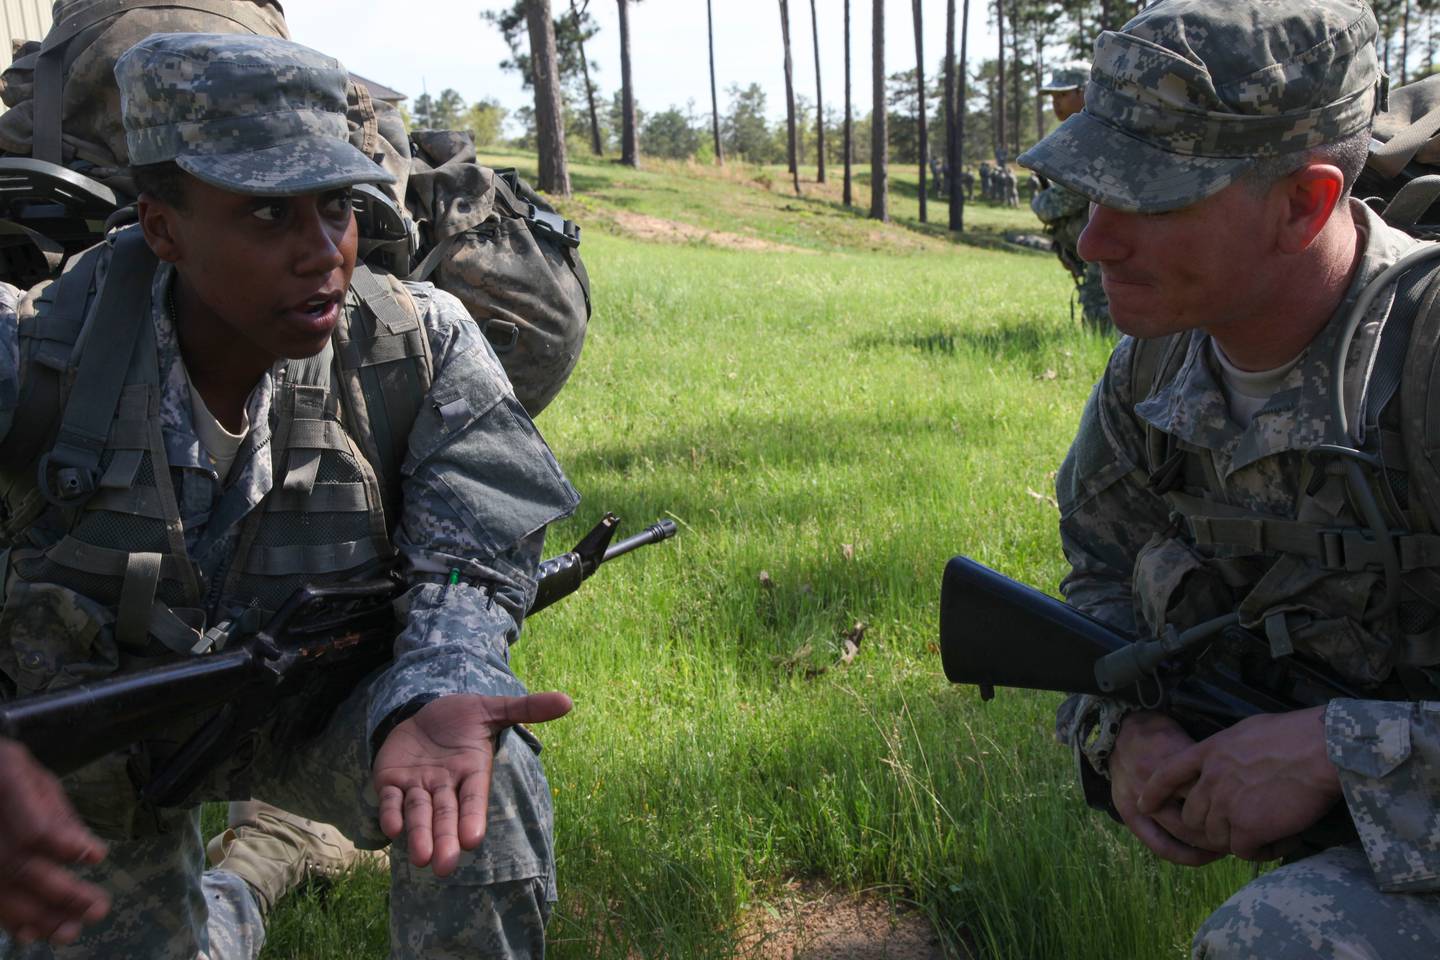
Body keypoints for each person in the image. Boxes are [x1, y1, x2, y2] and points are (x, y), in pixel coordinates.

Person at [0, 30, 580, 959]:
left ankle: (260, 856)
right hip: (87, 768)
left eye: (336, 206)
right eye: (269, 215)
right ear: (163, 228)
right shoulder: (31, 360)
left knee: (486, 765)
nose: (324, 253)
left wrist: (444, 679)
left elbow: (468, 564)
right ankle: (245, 887)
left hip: (311, 714)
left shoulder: (414, 345)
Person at [1019, 0, 1440, 955]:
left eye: (1150, 198)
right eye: (1092, 191)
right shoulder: (1157, 367)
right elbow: (1100, 582)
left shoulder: (1425, 361)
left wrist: (1342, 754)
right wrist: (1129, 728)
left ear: (1306, 204)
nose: (1093, 242)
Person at [1030, 60, 1111, 333]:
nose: (1056, 103)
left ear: (1086, 91)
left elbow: (1069, 198)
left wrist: (1040, 203)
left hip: (1111, 238)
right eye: (1053, 96)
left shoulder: (1092, 134)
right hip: (1104, 235)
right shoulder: (1089, 130)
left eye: (1062, 95)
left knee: (1099, 303)